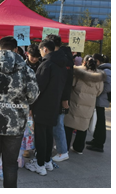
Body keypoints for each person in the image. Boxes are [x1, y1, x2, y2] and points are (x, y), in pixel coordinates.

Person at [0, 36, 40, 188]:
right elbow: (33, 95)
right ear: (16, 50)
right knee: (10, 163)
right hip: (15, 124)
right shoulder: (26, 70)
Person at [25, 39, 67, 176]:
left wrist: (31, 105)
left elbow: (37, 88)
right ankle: (47, 161)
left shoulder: (46, 65)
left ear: (45, 49)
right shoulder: (62, 64)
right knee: (49, 133)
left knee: (41, 135)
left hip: (42, 105)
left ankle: (40, 164)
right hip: (54, 105)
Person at [63, 55, 105, 154]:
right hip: (89, 105)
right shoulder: (99, 77)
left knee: (69, 125)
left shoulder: (78, 73)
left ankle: (65, 147)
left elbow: (71, 85)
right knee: (83, 126)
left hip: (75, 102)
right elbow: (99, 91)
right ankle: (78, 148)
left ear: (84, 62)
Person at [44, 34, 74, 162]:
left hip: (61, 96)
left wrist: (65, 99)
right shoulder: (63, 56)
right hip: (58, 95)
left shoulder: (63, 58)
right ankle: (60, 147)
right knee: (56, 123)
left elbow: (68, 81)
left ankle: (62, 151)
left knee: (58, 124)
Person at [86, 53, 110, 152]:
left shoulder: (106, 70)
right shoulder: (104, 69)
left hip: (101, 99)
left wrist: (99, 91)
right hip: (100, 99)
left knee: (100, 122)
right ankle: (96, 140)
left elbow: (109, 86)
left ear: (98, 61)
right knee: (98, 121)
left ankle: (99, 144)